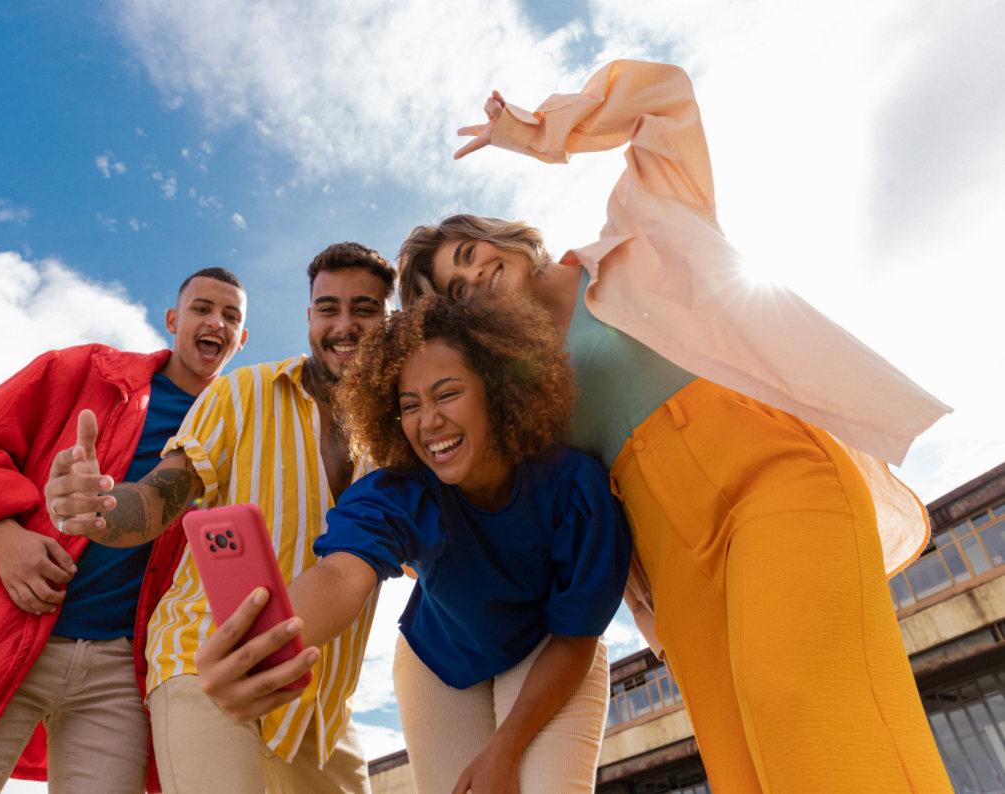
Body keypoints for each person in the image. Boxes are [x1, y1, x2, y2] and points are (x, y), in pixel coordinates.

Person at [395, 60, 953, 791]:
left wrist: (538, 133)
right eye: (456, 289)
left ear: (505, 240)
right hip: (668, 548)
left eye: (470, 256)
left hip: (773, 474)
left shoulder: (640, 230)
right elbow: (522, 492)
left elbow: (664, 100)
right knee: (737, 753)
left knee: (799, 695)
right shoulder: (520, 397)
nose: (473, 278)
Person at [198, 294, 630, 794]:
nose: (428, 422)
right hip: (439, 662)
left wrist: (504, 749)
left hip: (550, 649)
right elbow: (342, 573)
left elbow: (576, 635)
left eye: (447, 394)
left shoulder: (575, 486)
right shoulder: (401, 489)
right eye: (409, 405)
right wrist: (262, 649)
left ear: (497, 388)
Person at [0, 268, 248, 794]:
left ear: (242, 338)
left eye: (230, 316)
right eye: (202, 308)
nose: (215, 322)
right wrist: (4, 536)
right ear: (173, 319)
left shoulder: (233, 425)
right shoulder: (83, 372)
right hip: (12, 626)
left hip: (121, 670)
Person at [44, 242, 394, 793]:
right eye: (328, 308)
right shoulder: (242, 391)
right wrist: (101, 511)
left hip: (323, 708)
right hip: (204, 658)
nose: (344, 325)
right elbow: (162, 496)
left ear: (390, 320)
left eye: (365, 309)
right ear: (309, 317)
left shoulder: (403, 437)